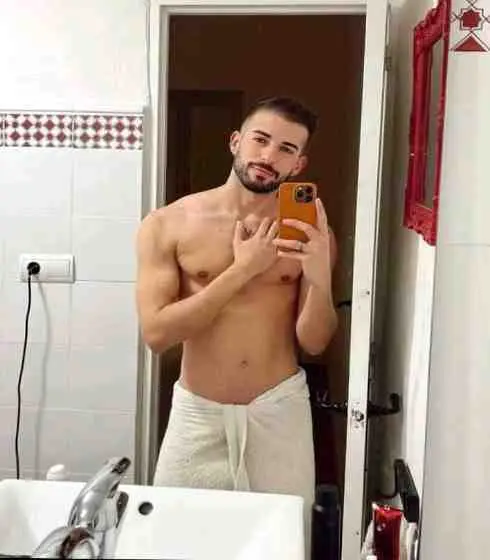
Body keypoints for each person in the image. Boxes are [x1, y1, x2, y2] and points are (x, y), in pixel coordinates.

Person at [135, 96, 338, 552]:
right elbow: (157, 334)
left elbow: (314, 341)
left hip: (279, 412)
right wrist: (243, 270)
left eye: (286, 149)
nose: (268, 156)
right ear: (235, 142)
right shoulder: (168, 224)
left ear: (299, 164)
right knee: (173, 542)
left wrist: (320, 277)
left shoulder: (309, 233)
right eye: (260, 140)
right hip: (197, 413)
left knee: (281, 544)